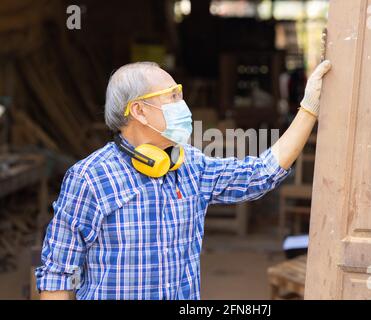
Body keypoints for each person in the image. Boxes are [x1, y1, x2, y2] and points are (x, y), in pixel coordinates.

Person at [36, 60, 331, 300]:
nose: (183, 105)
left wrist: (309, 108)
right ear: (139, 111)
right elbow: (58, 275)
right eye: (173, 96)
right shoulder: (90, 178)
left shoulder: (190, 164)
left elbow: (260, 174)